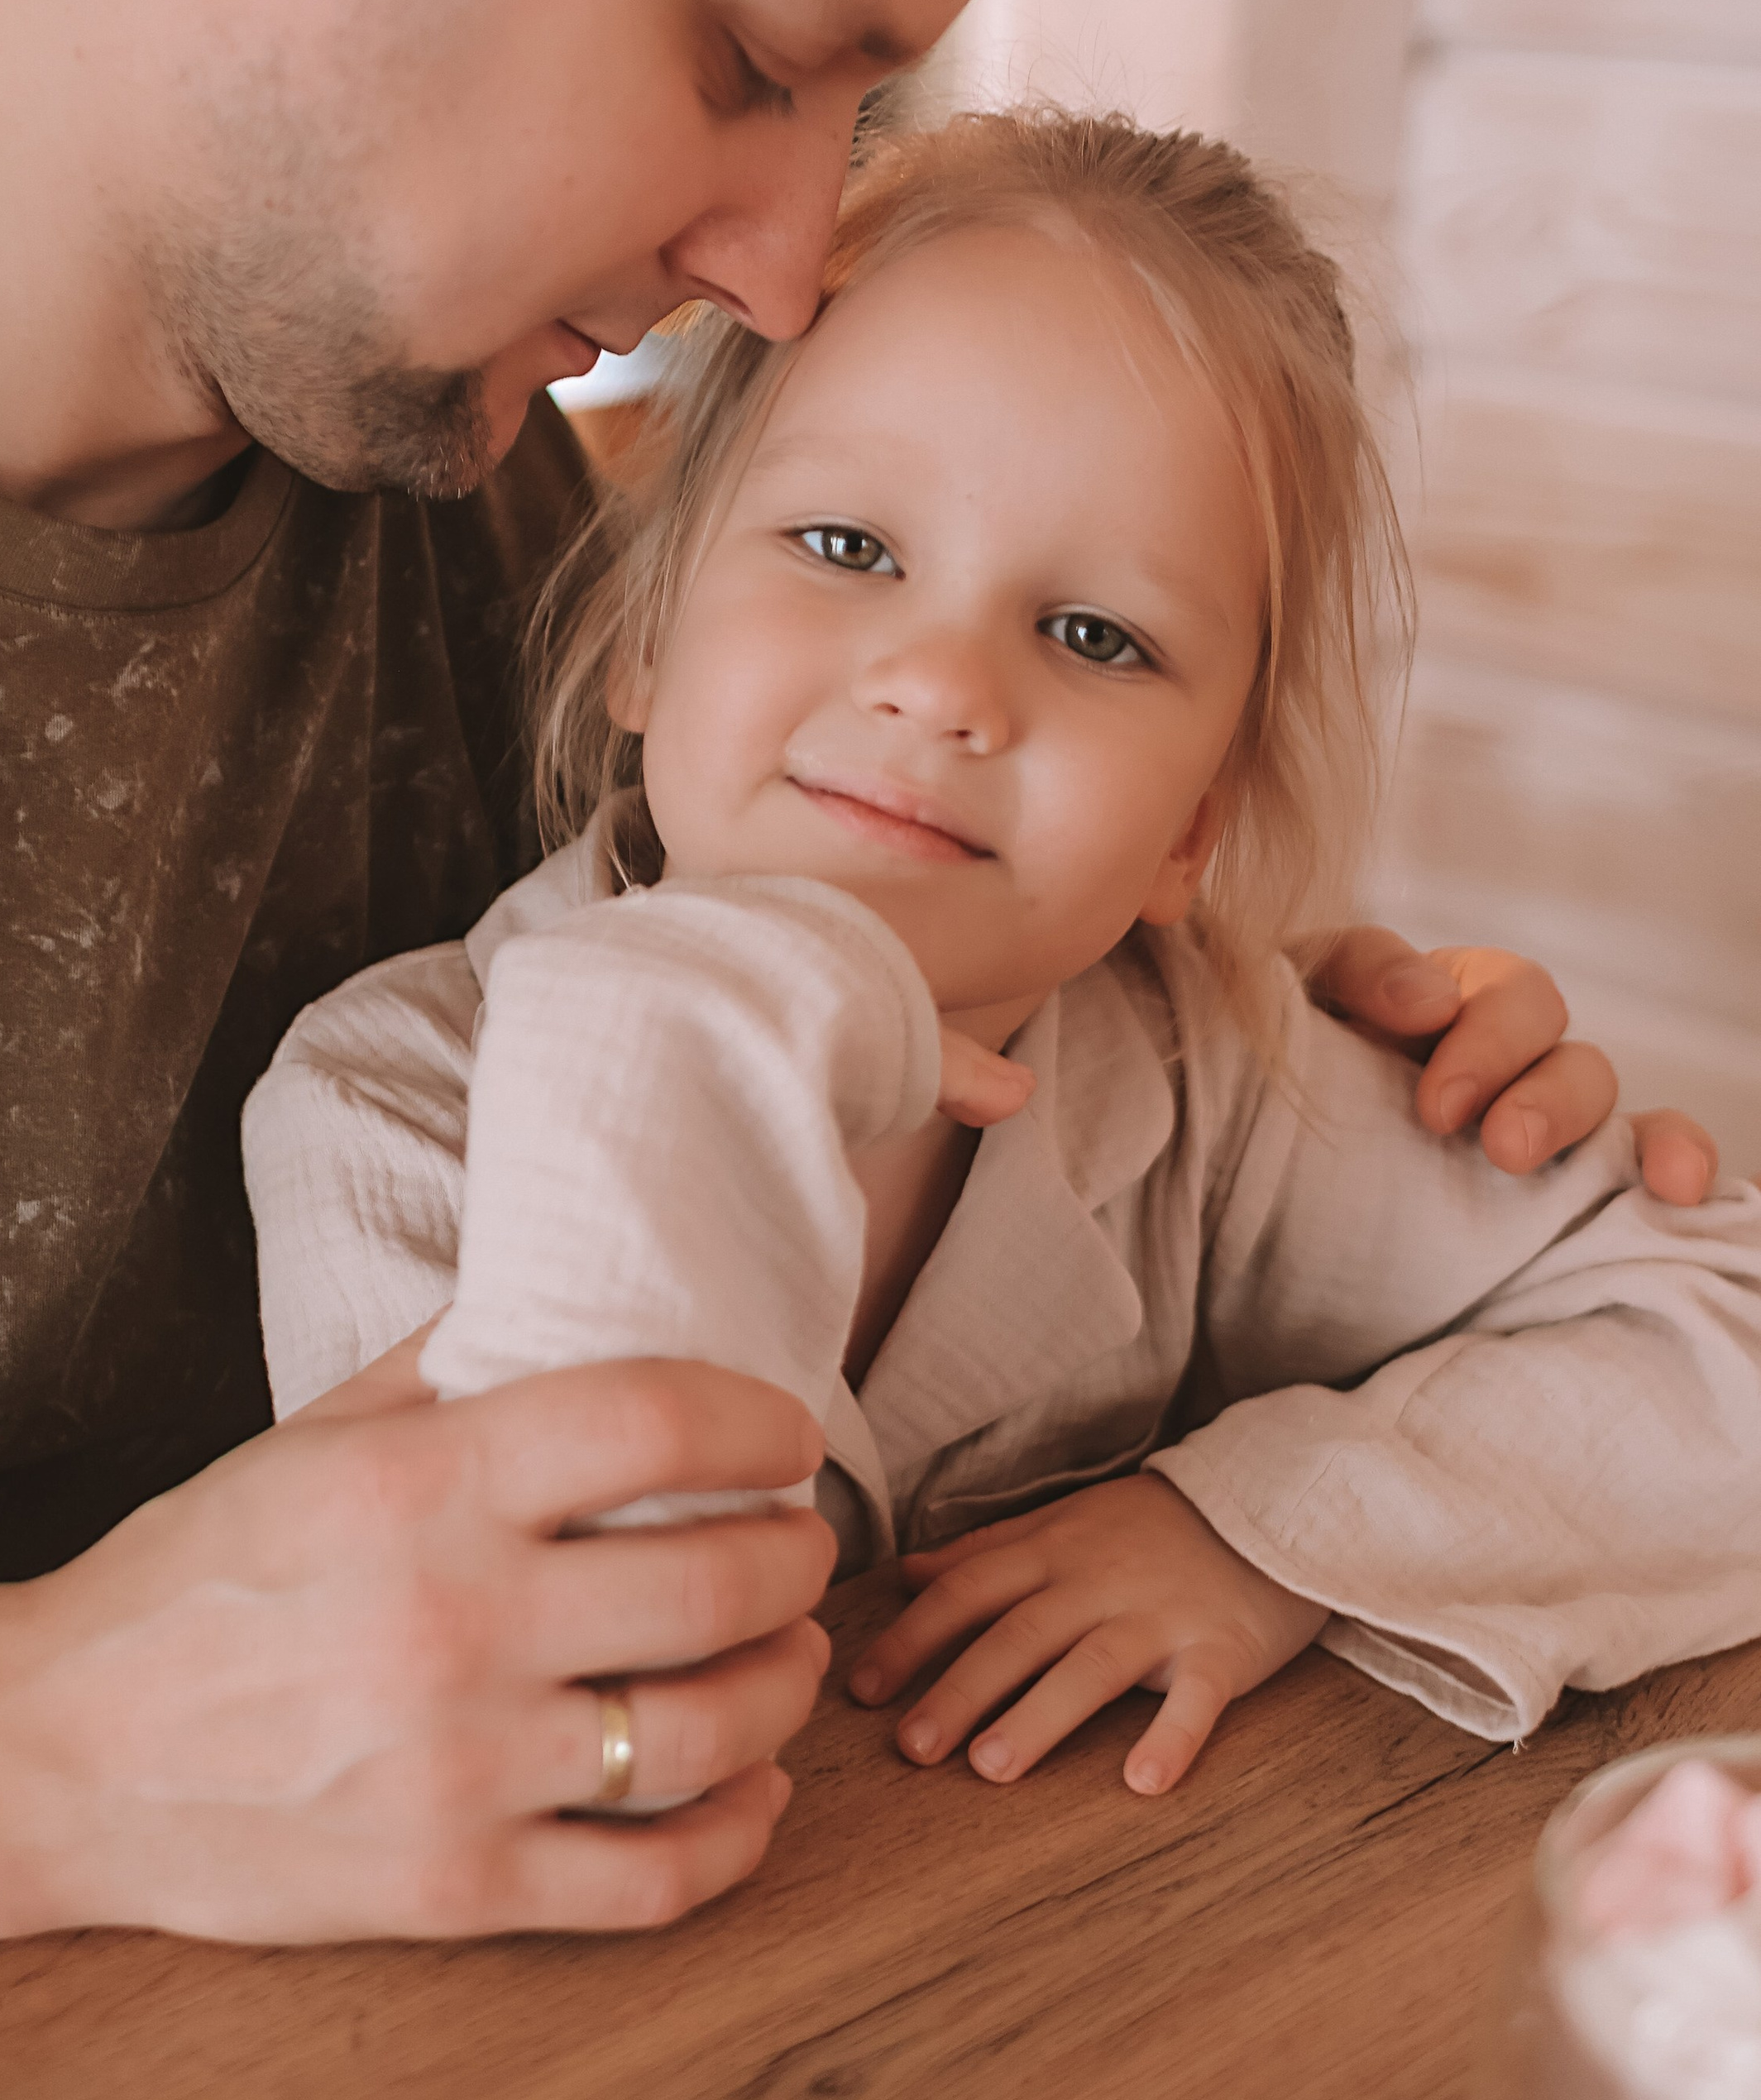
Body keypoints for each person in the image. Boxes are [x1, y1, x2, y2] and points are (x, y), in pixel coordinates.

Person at [0, 0, 1711, 2035]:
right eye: (751, 62)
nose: (776, 265)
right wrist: (22, 1747)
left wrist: (1317, 1156)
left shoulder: (500, 476)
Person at [245, 108, 1761, 1801]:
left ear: (1190, 826)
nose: (944, 684)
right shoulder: (383, 1106)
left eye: (1093, 635)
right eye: (846, 548)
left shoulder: (1204, 1072)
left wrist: (1255, 1537)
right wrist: (709, 1012)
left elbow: (1723, 1337)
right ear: (647, 637)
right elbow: (576, 1691)